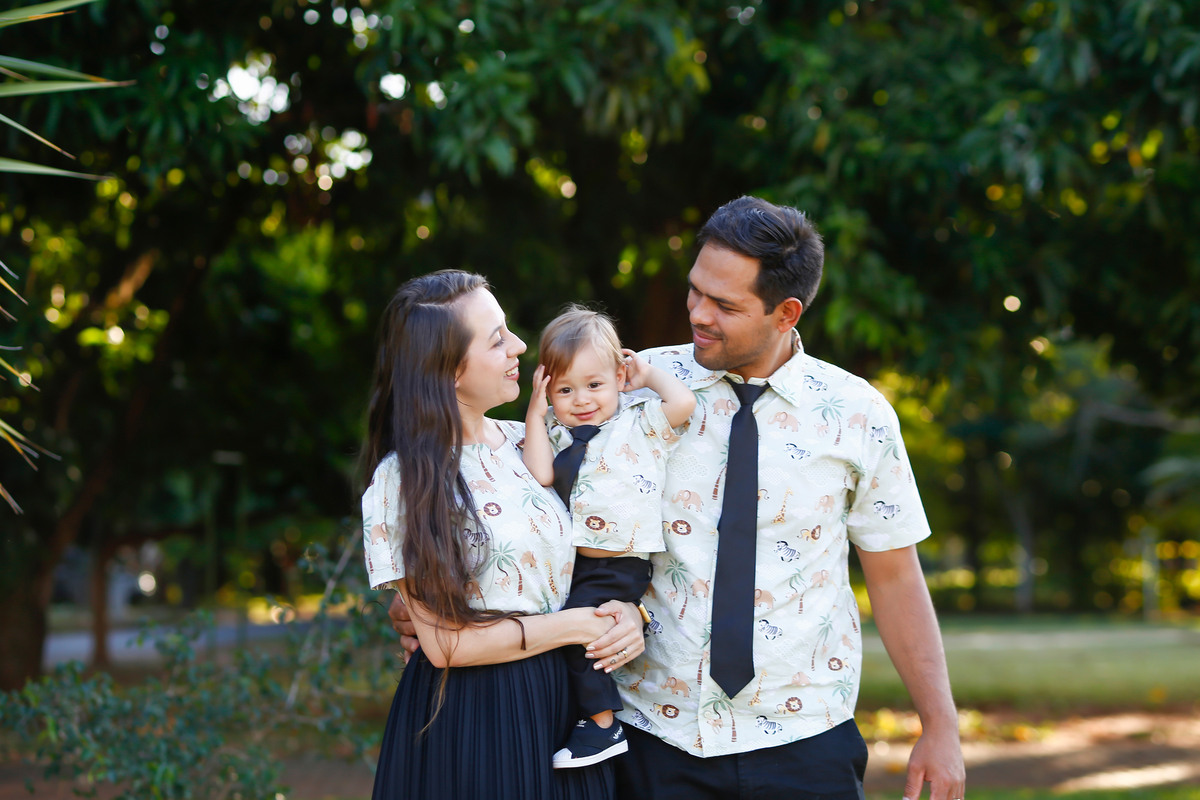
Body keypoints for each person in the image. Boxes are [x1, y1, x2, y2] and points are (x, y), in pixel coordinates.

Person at [389, 199, 967, 800]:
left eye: (724, 305)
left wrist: (941, 725)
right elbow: (505, 491)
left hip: (805, 740)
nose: (697, 313)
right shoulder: (622, 385)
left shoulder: (859, 415)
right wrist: (426, 600)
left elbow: (897, 576)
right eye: (695, 291)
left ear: (785, 312)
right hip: (649, 739)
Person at [361, 270, 646, 800]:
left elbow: (614, 530)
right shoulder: (405, 480)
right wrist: (574, 625)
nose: (519, 345)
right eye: (496, 339)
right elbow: (445, 644)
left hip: (566, 699)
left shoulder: (530, 441)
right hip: (474, 714)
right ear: (445, 370)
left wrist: (631, 611)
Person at [520, 306, 696, 768]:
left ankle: (602, 726)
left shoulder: (638, 424)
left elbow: (684, 405)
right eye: (564, 389)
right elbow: (539, 474)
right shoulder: (556, 433)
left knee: (585, 635)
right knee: (562, 636)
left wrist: (649, 375)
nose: (581, 399)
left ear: (619, 376)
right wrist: (536, 414)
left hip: (620, 561)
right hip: (572, 563)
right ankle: (579, 718)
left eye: (594, 384)